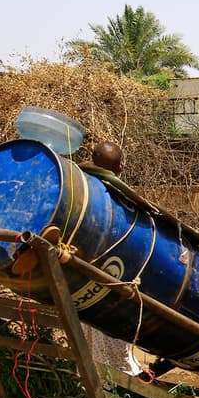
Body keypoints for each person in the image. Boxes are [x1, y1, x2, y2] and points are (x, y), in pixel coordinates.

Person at [83, 142, 142, 377]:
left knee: (89, 330)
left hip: (82, 277)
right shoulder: (120, 198)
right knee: (112, 333)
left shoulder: (82, 189)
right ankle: (121, 378)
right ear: (121, 166)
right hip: (113, 272)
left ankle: (93, 374)